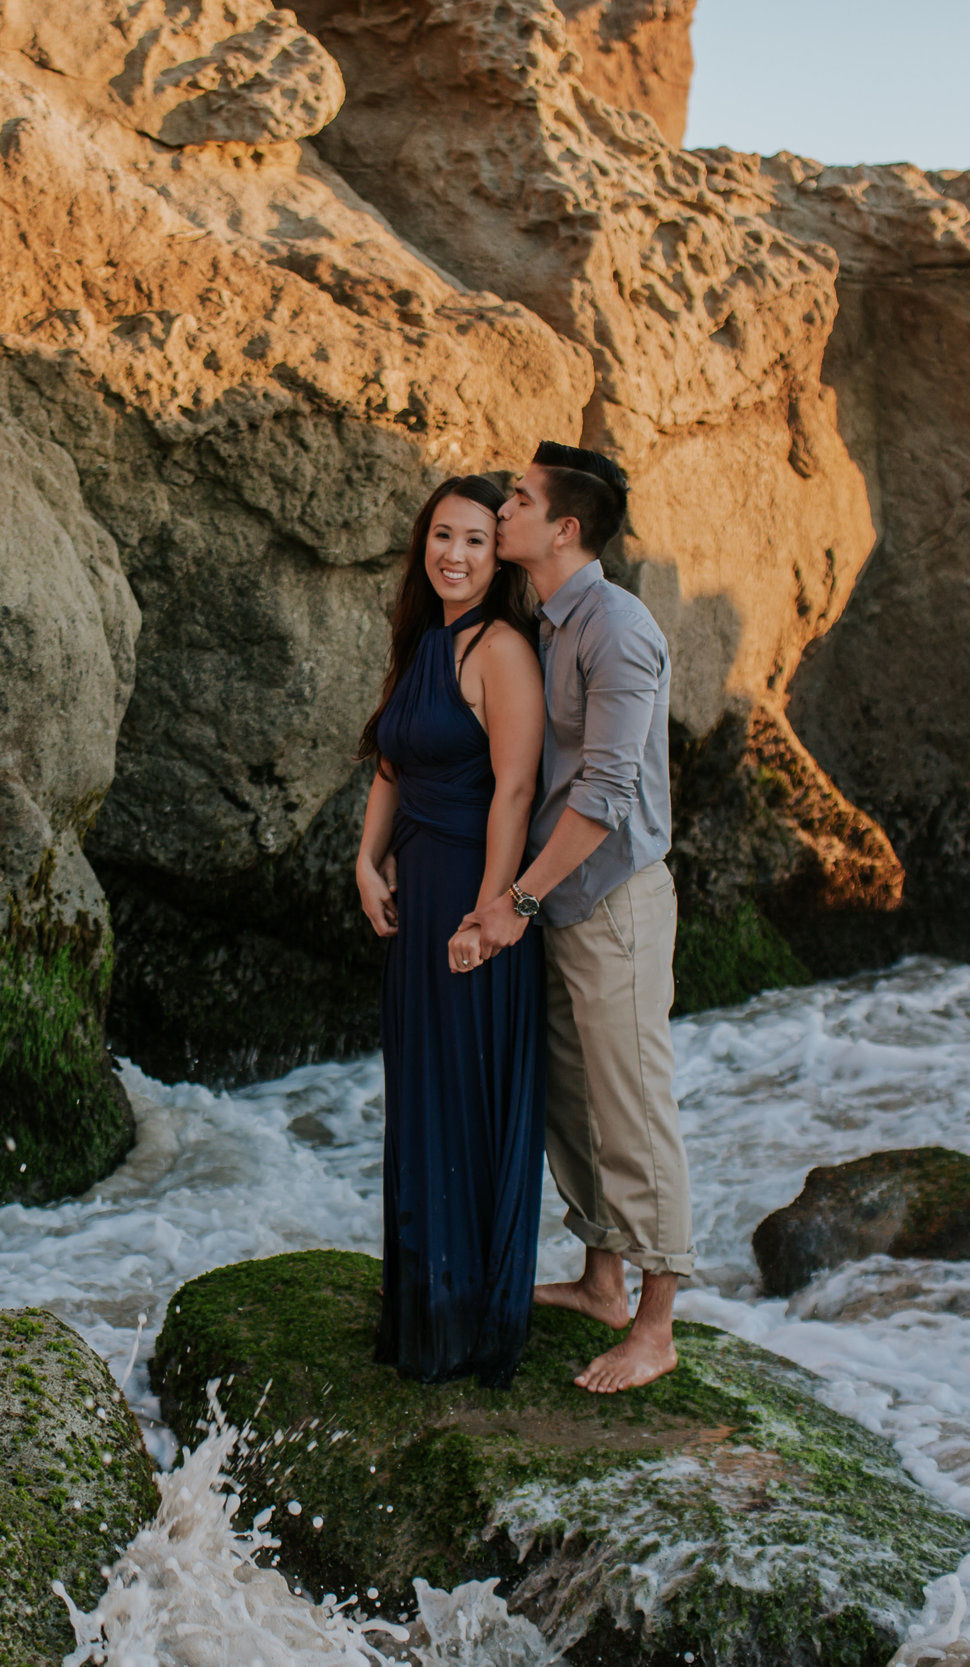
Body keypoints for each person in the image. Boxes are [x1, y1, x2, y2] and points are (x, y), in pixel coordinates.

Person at [450, 440, 686, 1395]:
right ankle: (601, 1280)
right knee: (577, 1101)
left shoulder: (617, 628)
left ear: (564, 527)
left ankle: (657, 1324)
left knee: (631, 1103)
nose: (501, 511)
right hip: (566, 903)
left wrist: (518, 900)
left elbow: (607, 791)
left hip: (614, 901)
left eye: (517, 499)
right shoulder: (550, 620)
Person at [355, 474, 550, 1388]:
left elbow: (514, 787)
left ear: (496, 554)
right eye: (442, 535)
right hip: (414, 898)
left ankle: (469, 1322)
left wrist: (491, 909)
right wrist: (366, 859)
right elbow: (392, 758)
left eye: (476, 539)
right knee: (421, 1096)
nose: (456, 555)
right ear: (422, 544)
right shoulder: (424, 643)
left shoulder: (501, 648)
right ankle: (423, 1308)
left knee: (467, 1104)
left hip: (474, 905)